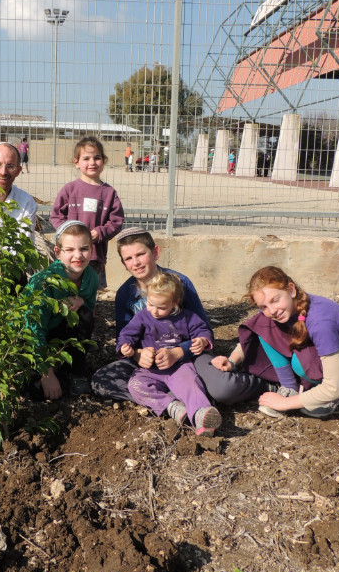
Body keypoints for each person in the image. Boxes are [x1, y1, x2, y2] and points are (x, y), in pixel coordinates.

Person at [90, 227, 263, 407]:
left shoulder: (180, 283)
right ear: (123, 263)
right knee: (101, 381)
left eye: (141, 254)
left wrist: (179, 351)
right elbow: (123, 339)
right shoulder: (125, 294)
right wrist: (136, 355)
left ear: (155, 252)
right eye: (129, 258)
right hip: (149, 364)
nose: (136, 263)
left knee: (223, 389)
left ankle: (262, 385)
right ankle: (180, 398)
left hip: (188, 358)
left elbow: (204, 331)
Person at [211, 266, 339, 419]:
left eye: (275, 300)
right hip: (312, 350)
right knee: (263, 323)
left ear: (291, 290)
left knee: (300, 364)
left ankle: (320, 388)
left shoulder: (321, 321)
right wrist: (233, 360)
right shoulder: (277, 311)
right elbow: (261, 331)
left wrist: (285, 404)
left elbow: (333, 388)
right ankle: (289, 387)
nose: (272, 310)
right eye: (264, 306)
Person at [117, 272, 221, 436]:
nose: (155, 311)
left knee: (191, 384)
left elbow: (203, 330)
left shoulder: (186, 317)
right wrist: (125, 346)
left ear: (175, 302)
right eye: (150, 304)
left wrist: (202, 340)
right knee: (135, 386)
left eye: (162, 307)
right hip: (151, 369)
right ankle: (172, 407)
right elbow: (127, 333)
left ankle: (202, 415)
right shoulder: (143, 316)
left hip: (179, 366)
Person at [24, 221, 98, 399]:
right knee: (33, 391)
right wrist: (46, 373)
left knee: (85, 315)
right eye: (70, 250)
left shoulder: (91, 277)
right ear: (57, 252)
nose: (78, 256)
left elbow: (89, 307)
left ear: (92, 251)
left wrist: (81, 300)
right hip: (35, 340)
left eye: (84, 249)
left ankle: (74, 371)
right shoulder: (43, 282)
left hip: (61, 334)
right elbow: (33, 328)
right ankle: (49, 369)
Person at [50, 136, 124, 288]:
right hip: (69, 254)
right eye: (86, 158)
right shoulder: (69, 189)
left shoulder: (109, 193)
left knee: (89, 292)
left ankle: (89, 312)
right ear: (76, 162)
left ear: (104, 160)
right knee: (66, 289)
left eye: (97, 158)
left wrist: (100, 232)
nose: (92, 162)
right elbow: (56, 216)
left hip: (95, 255)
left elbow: (116, 221)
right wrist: (68, 232)